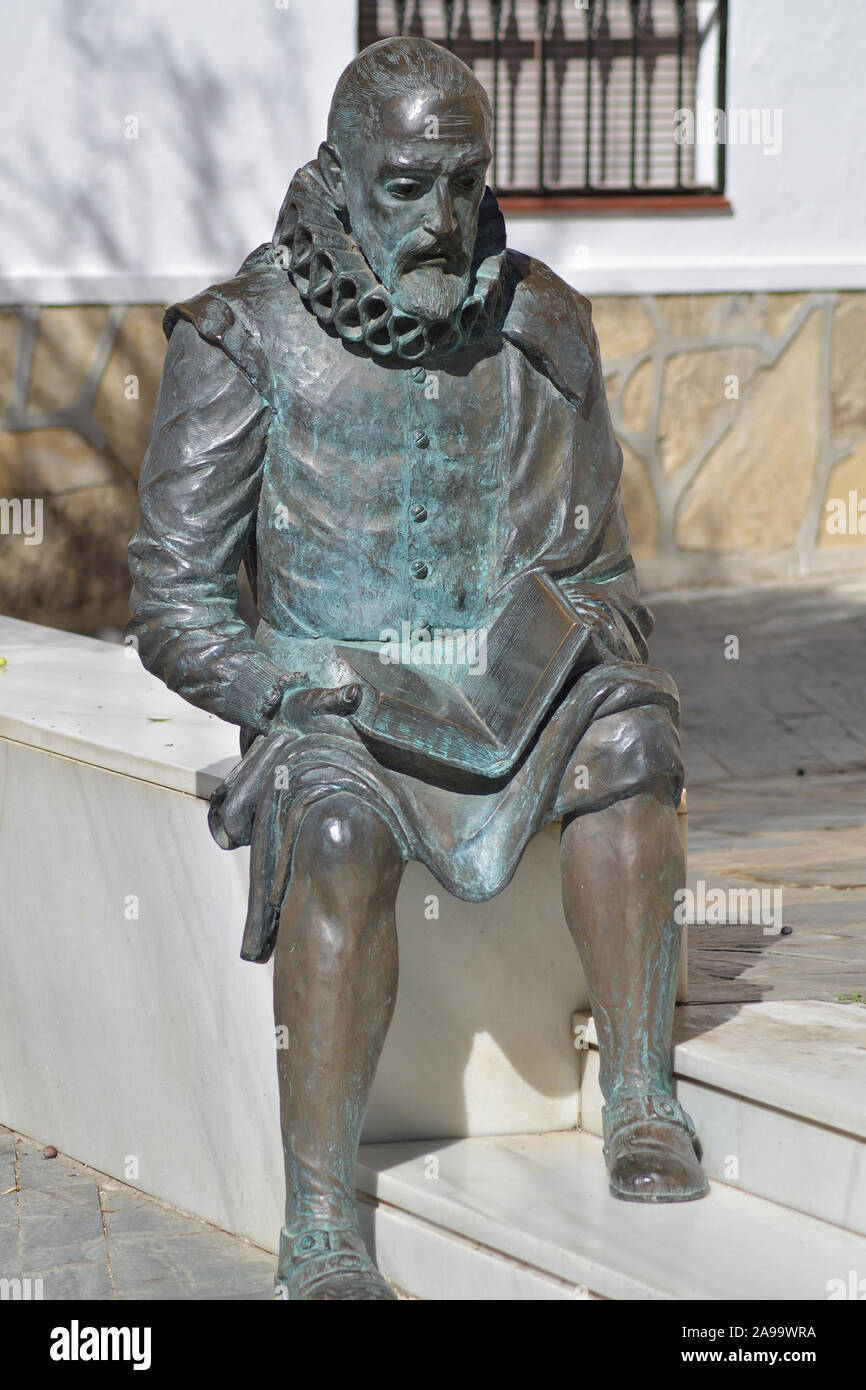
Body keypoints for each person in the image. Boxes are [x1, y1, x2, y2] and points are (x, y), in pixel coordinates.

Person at [127, 36, 707, 1303]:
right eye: (404, 185)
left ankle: (640, 1095)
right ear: (336, 178)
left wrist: (588, 629)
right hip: (329, 701)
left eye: (464, 179)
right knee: (335, 830)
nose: (443, 219)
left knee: (634, 744)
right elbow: (171, 596)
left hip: (508, 696)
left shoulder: (540, 324)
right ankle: (323, 1220)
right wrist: (274, 688)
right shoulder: (242, 335)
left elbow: (599, 567)